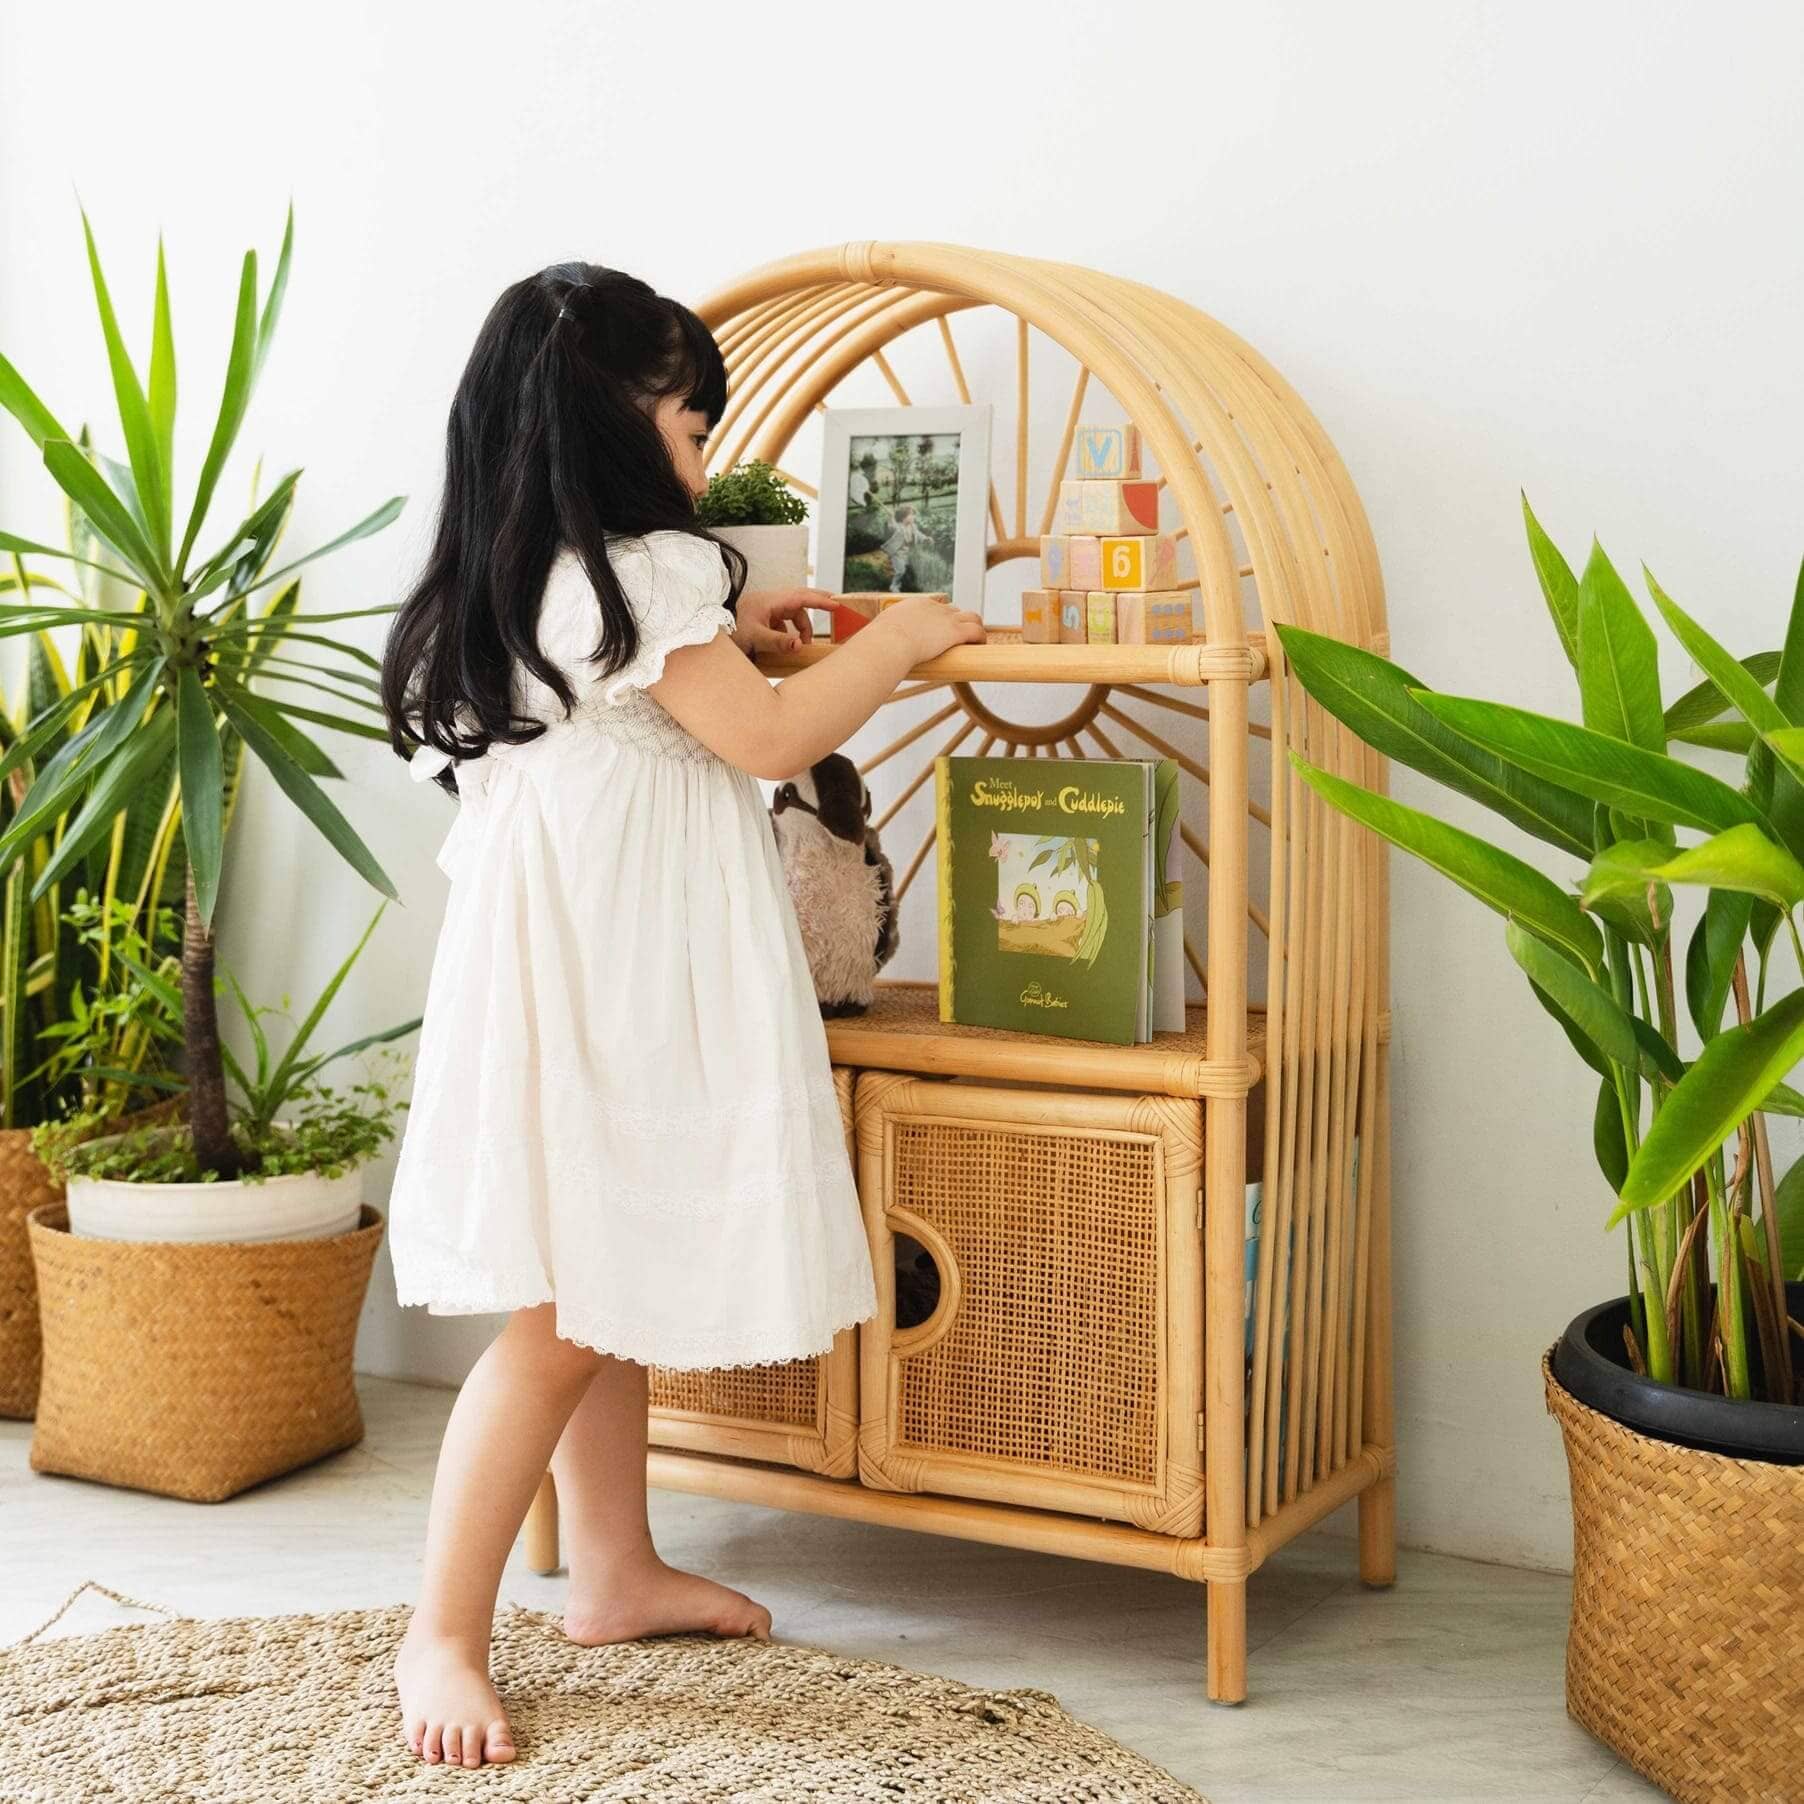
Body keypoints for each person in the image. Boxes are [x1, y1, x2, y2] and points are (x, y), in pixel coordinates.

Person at [377, 263, 987, 1771]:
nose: (705, 463)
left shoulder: (530, 570)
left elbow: (671, 694)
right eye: (693, 428)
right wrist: (900, 638)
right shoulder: (644, 571)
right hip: (626, 972)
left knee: (605, 1280)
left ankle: (614, 1568)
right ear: (613, 422)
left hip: (569, 960)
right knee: (566, 1314)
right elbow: (770, 733)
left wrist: (745, 618)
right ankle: (441, 1631)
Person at [880, 502, 925, 593]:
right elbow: (891, 526)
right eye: (911, 515)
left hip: (906, 552)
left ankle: (902, 584)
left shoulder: (913, 526)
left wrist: (925, 538)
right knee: (900, 570)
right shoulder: (899, 527)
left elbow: (918, 534)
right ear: (903, 517)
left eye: (913, 515)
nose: (913, 517)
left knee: (906, 569)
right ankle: (894, 586)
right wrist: (891, 516)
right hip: (897, 552)